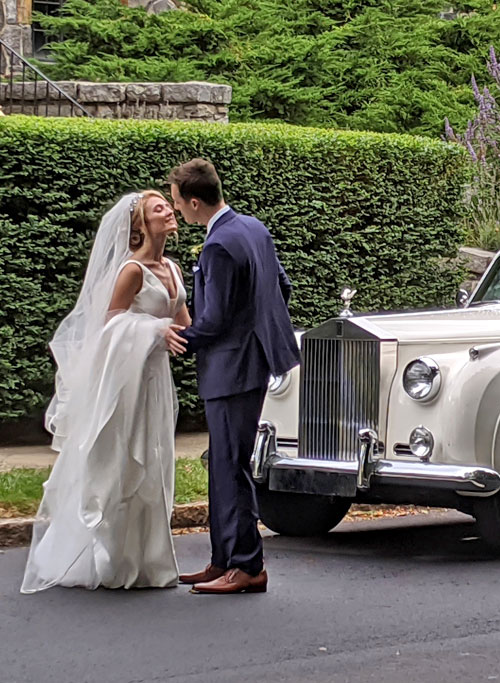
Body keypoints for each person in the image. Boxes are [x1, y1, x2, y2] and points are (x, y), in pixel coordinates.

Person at [21, 191, 190, 593]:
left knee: (156, 458)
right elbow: (110, 322)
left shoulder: (173, 268)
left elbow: (185, 321)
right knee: (123, 460)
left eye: (167, 205)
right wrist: (152, 329)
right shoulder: (132, 271)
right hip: (125, 382)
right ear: (140, 226)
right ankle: (110, 559)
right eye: (157, 209)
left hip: (155, 381)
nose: (168, 210)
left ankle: (149, 561)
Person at [168, 158, 300, 595]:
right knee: (224, 463)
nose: (178, 213)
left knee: (230, 465)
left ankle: (247, 565)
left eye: (178, 204)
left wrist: (177, 341)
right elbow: (281, 287)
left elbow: (215, 319)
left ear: (192, 201)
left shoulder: (218, 245)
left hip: (232, 368)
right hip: (252, 362)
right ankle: (222, 558)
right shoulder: (253, 228)